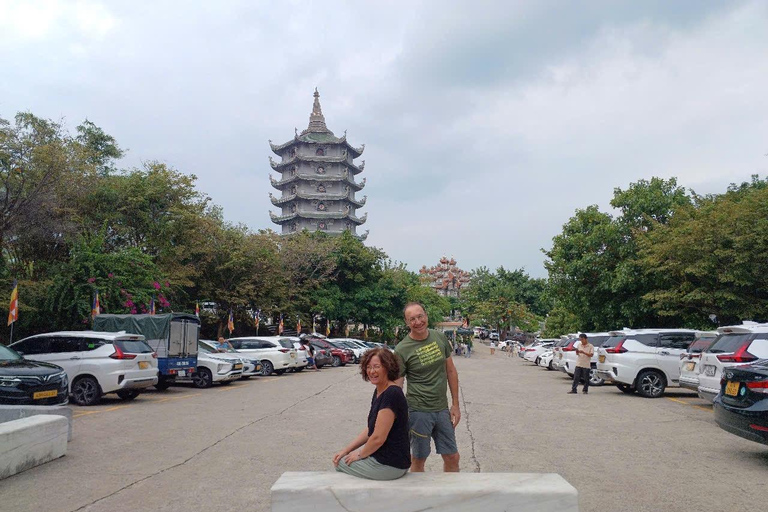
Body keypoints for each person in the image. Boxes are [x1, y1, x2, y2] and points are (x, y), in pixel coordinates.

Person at [394, 302, 460, 472]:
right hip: (418, 411)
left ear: (426, 316)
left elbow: (451, 371)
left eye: (420, 316)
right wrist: (393, 413)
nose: (417, 321)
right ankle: (418, 497)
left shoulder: (439, 338)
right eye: (412, 319)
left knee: (452, 456)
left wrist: (455, 404)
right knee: (419, 458)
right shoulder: (402, 349)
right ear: (407, 323)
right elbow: (397, 385)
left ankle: (451, 496)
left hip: (441, 409)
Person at [333, 348, 411, 480]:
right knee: (343, 457)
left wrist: (359, 454)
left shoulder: (391, 394)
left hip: (390, 465)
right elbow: (371, 429)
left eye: (377, 367)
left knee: (340, 464)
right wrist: (347, 450)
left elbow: (378, 438)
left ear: (388, 367)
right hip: (387, 460)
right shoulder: (380, 391)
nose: (372, 371)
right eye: (368, 367)